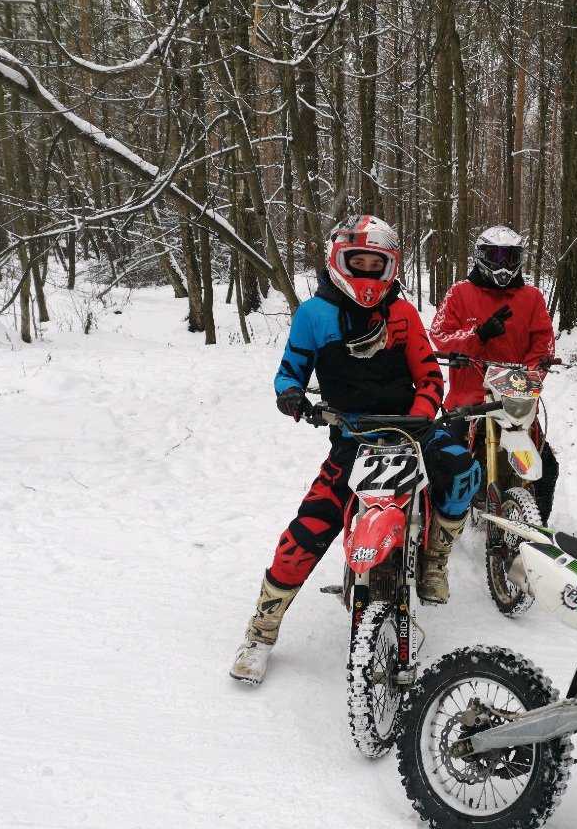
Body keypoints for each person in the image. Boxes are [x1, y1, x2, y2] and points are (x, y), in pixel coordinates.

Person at [230, 215, 481, 685]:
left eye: (376, 263)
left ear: (391, 266)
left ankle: (435, 559)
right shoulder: (313, 315)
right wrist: (291, 396)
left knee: (465, 472)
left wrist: (424, 411)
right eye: (357, 262)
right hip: (352, 437)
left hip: (411, 430)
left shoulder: (403, 314)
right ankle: (261, 630)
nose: (367, 273)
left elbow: (430, 376)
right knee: (309, 527)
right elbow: (290, 372)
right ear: (338, 260)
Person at [429, 225, 559, 521]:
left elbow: (544, 342)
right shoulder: (460, 293)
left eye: (510, 256)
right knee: (442, 456)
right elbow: (439, 335)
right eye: (495, 256)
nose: (503, 264)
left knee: (547, 463)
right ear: (481, 257)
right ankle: (441, 526)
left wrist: (529, 374)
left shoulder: (532, 297)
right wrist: (478, 334)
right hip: (469, 399)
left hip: (514, 398)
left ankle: (537, 528)